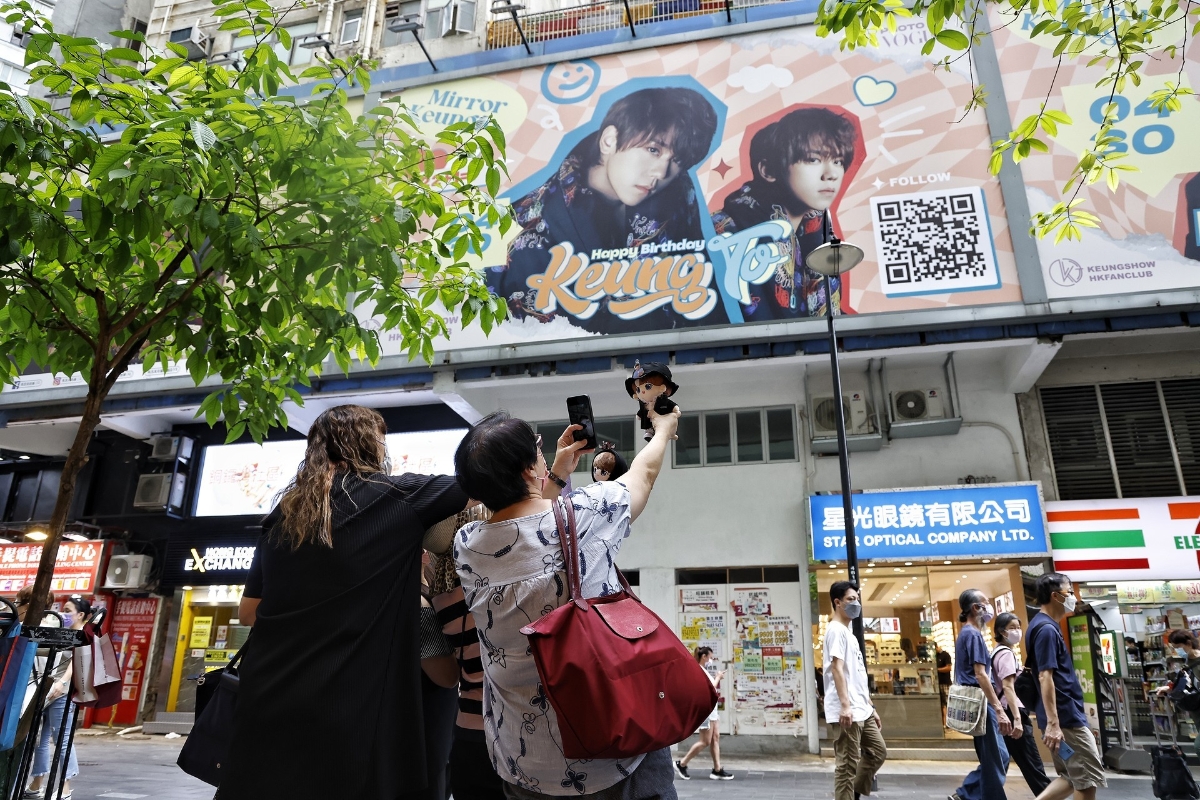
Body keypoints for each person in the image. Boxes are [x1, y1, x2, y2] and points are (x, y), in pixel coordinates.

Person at [223, 404, 473, 800]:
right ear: (371, 445)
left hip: (267, 701)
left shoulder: (282, 516)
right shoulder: (396, 496)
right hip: (349, 709)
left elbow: (249, 612)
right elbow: (481, 485)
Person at [453, 406, 680, 798]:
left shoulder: (468, 546)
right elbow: (643, 475)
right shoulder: (588, 512)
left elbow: (524, 530)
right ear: (528, 468)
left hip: (526, 766)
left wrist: (553, 475)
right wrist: (662, 430)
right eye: (537, 447)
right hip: (615, 752)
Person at [495, 86, 721, 334]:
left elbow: (704, 290)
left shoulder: (678, 190)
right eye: (653, 150)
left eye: (677, 160)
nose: (661, 172)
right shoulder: (530, 226)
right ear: (609, 140)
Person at [711, 106, 859, 320]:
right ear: (768, 171)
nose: (831, 174)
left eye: (838, 161)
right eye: (813, 159)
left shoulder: (819, 235)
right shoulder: (723, 231)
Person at [1027, 573, 1106, 800]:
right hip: (1065, 719)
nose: (1074, 597)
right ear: (1055, 596)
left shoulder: (1042, 626)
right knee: (1086, 780)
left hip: (1060, 717)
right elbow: (1045, 676)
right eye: (1069, 592)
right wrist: (1054, 724)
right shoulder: (1046, 629)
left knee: (1071, 777)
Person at [823, 581, 886, 800]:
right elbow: (836, 668)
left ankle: (854, 795)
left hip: (862, 709)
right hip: (848, 710)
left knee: (877, 752)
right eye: (850, 599)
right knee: (847, 765)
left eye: (857, 599)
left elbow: (856, 675)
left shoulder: (848, 633)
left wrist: (870, 706)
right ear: (837, 602)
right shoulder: (835, 630)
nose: (856, 604)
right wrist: (845, 706)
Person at [949, 589, 1010, 800]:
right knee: (997, 756)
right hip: (981, 702)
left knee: (995, 756)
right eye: (986, 602)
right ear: (976, 608)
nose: (989, 606)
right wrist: (998, 709)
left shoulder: (966, 632)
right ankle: (967, 794)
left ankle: (966, 795)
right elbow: (981, 674)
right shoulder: (973, 634)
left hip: (977, 702)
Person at [23, 591, 82, 800]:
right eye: (63, 609)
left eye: (68, 610)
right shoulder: (58, 629)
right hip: (44, 689)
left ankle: (65, 787)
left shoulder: (74, 632)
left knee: (61, 739)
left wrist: (63, 682)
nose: (64, 614)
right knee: (40, 739)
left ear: (80, 614)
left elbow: (75, 661)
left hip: (60, 690)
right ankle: (36, 782)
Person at [992, 613, 1051, 796]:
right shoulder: (1006, 654)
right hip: (1013, 712)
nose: (1017, 631)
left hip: (1005, 711)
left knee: (1000, 762)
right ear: (1002, 631)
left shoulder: (996, 652)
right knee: (1033, 765)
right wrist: (1017, 719)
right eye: (1012, 628)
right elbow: (1008, 687)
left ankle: (967, 794)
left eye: (1018, 627)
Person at [674, 647, 733, 781]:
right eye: (710, 657)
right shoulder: (698, 670)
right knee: (705, 741)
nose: (711, 660)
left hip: (712, 710)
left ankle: (717, 769)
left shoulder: (703, 670)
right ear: (704, 656)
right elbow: (709, 688)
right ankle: (681, 763)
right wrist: (718, 677)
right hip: (707, 711)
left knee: (715, 738)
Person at [1157, 629, 1200, 757]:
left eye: (1178, 647)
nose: (1177, 651)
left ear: (1188, 643)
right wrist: (1169, 688)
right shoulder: (1187, 663)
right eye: (1174, 648)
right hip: (1197, 711)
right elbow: (1187, 683)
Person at [937, 642, 953, 724]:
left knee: (948, 703)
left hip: (945, 682)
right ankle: (943, 723)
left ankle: (950, 723)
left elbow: (948, 668)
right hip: (937, 683)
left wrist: (937, 670)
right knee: (941, 704)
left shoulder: (945, 655)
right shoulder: (935, 656)